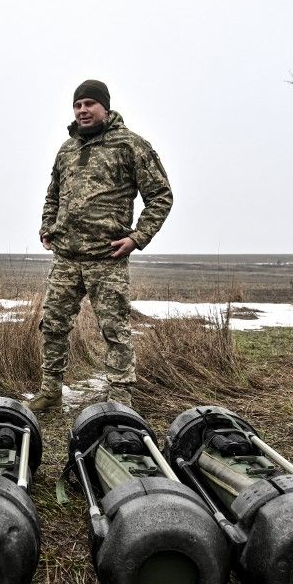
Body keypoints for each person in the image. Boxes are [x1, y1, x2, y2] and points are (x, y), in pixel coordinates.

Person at [28, 80, 173, 412]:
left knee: (115, 329)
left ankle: (120, 396)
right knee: (52, 325)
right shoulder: (67, 149)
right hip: (66, 257)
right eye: (77, 105)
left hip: (106, 256)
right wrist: (48, 225)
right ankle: (50, 391)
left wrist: (138, 237)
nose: (82, 110)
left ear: (105, 108)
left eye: (90, 103)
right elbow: (53, 194)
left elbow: (161, 196)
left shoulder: (130, 146)